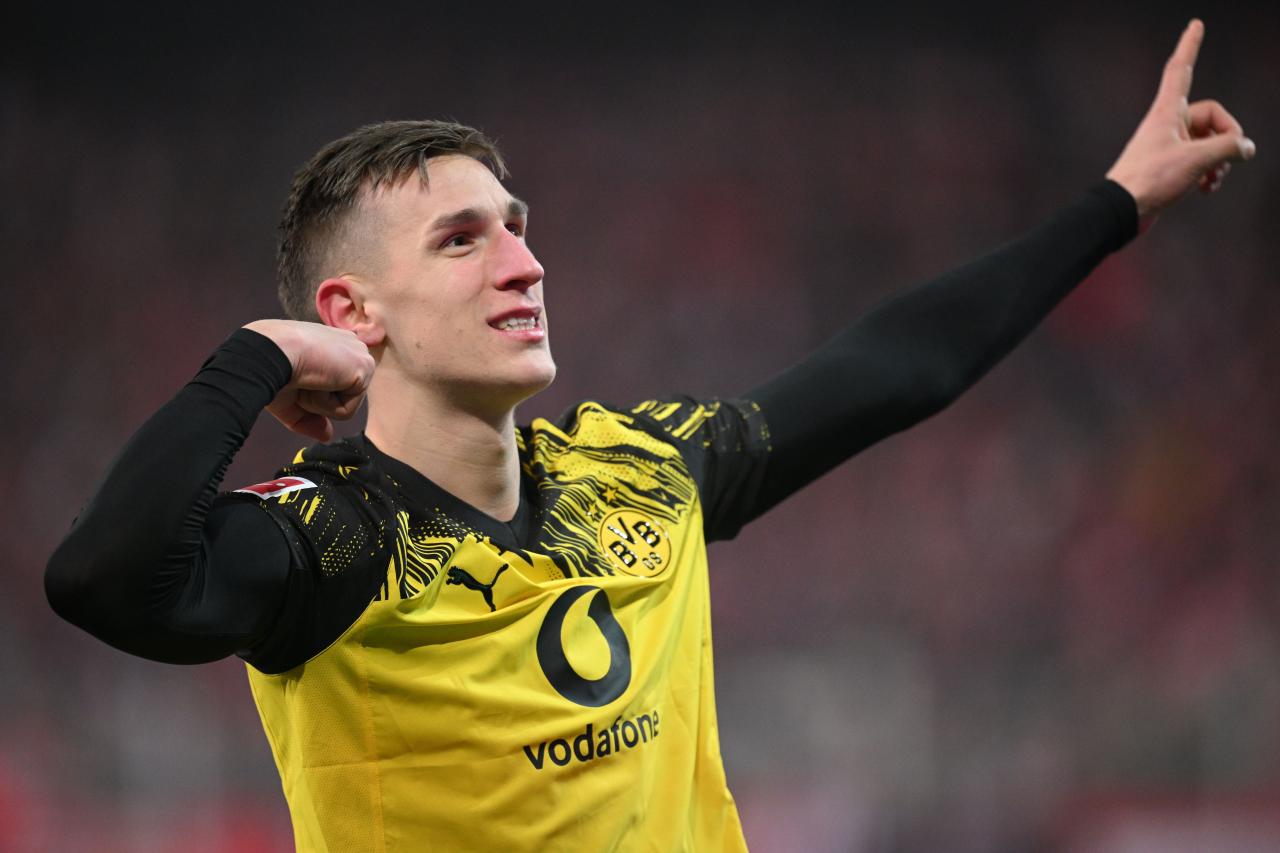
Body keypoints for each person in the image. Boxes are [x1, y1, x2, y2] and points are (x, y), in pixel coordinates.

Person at [44, 20, 1253, 852]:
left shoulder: (636, 469)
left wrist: (1113, 204)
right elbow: (102, 577)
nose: (524, 264)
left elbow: (896, 367)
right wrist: (255, 359)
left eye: (516, 226)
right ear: (351, 313)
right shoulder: (335, 541)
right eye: (461, 240)